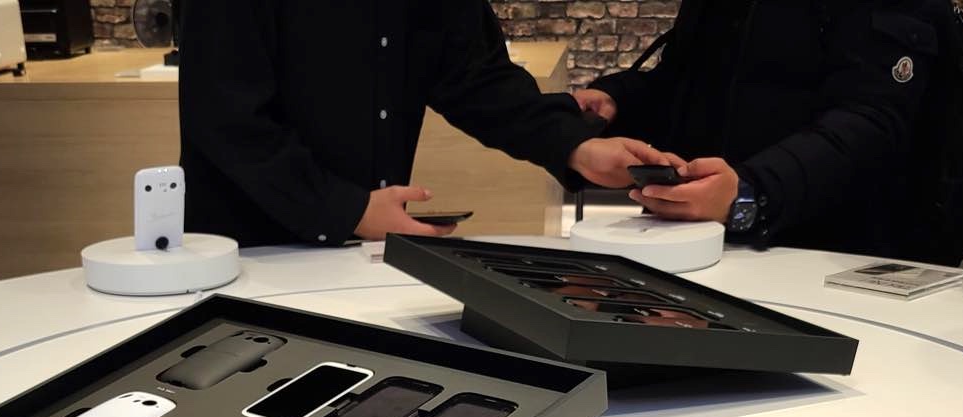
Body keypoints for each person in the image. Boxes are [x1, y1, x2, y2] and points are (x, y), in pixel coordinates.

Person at [178, 0, 675, 247]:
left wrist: (576, 146)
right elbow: (226, 117)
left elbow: (475, 76)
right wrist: (345, 209)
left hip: (363, 249)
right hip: (243, 251)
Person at [571, 0, 943, 258]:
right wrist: (617, 99)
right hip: (696, 245)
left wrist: (749, 194)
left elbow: (871, 121)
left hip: (829, 258)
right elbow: (687, 80)